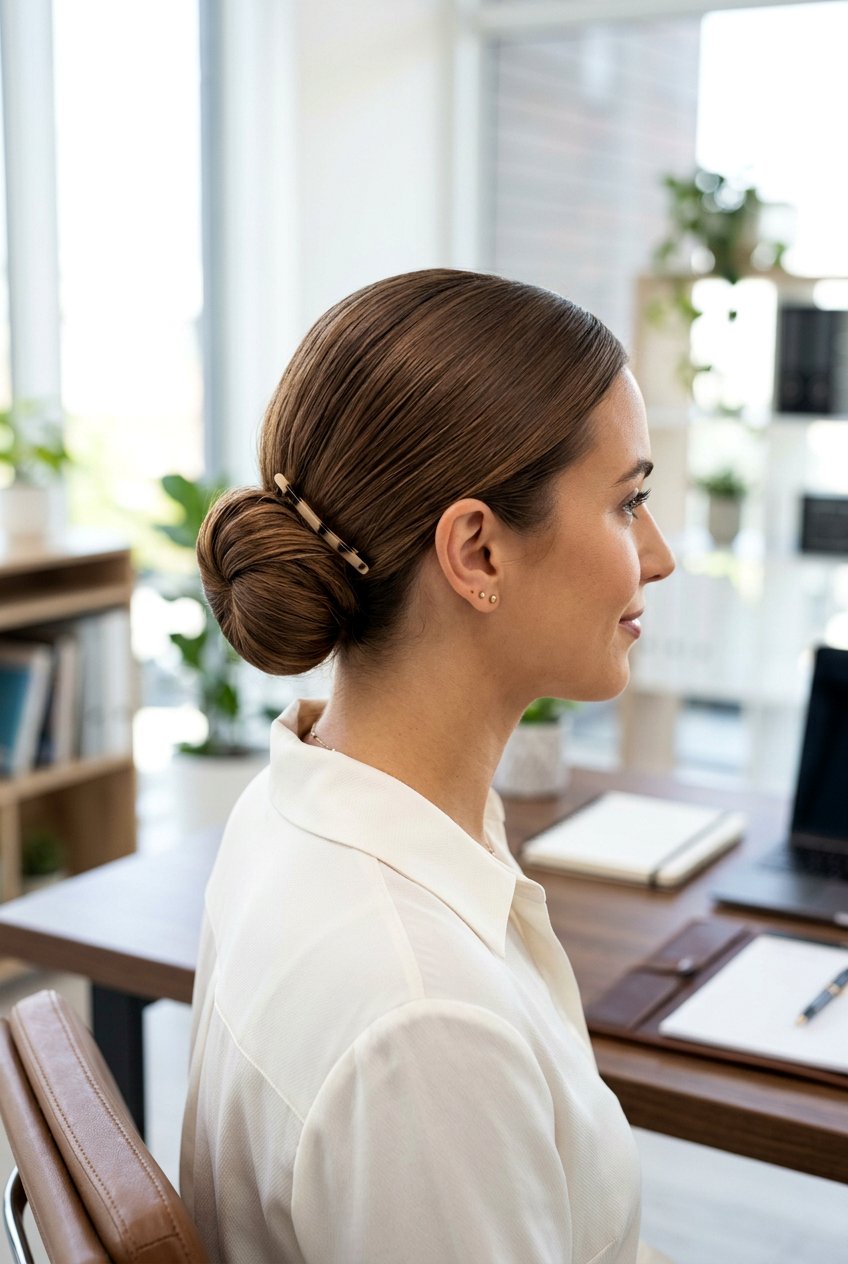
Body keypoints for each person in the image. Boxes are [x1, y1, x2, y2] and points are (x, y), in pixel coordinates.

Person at [180, 268, 676, 1263]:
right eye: (627, 504)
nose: (656, 556)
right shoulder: (426, 1030)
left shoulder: (298, 800)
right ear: (477, 553)